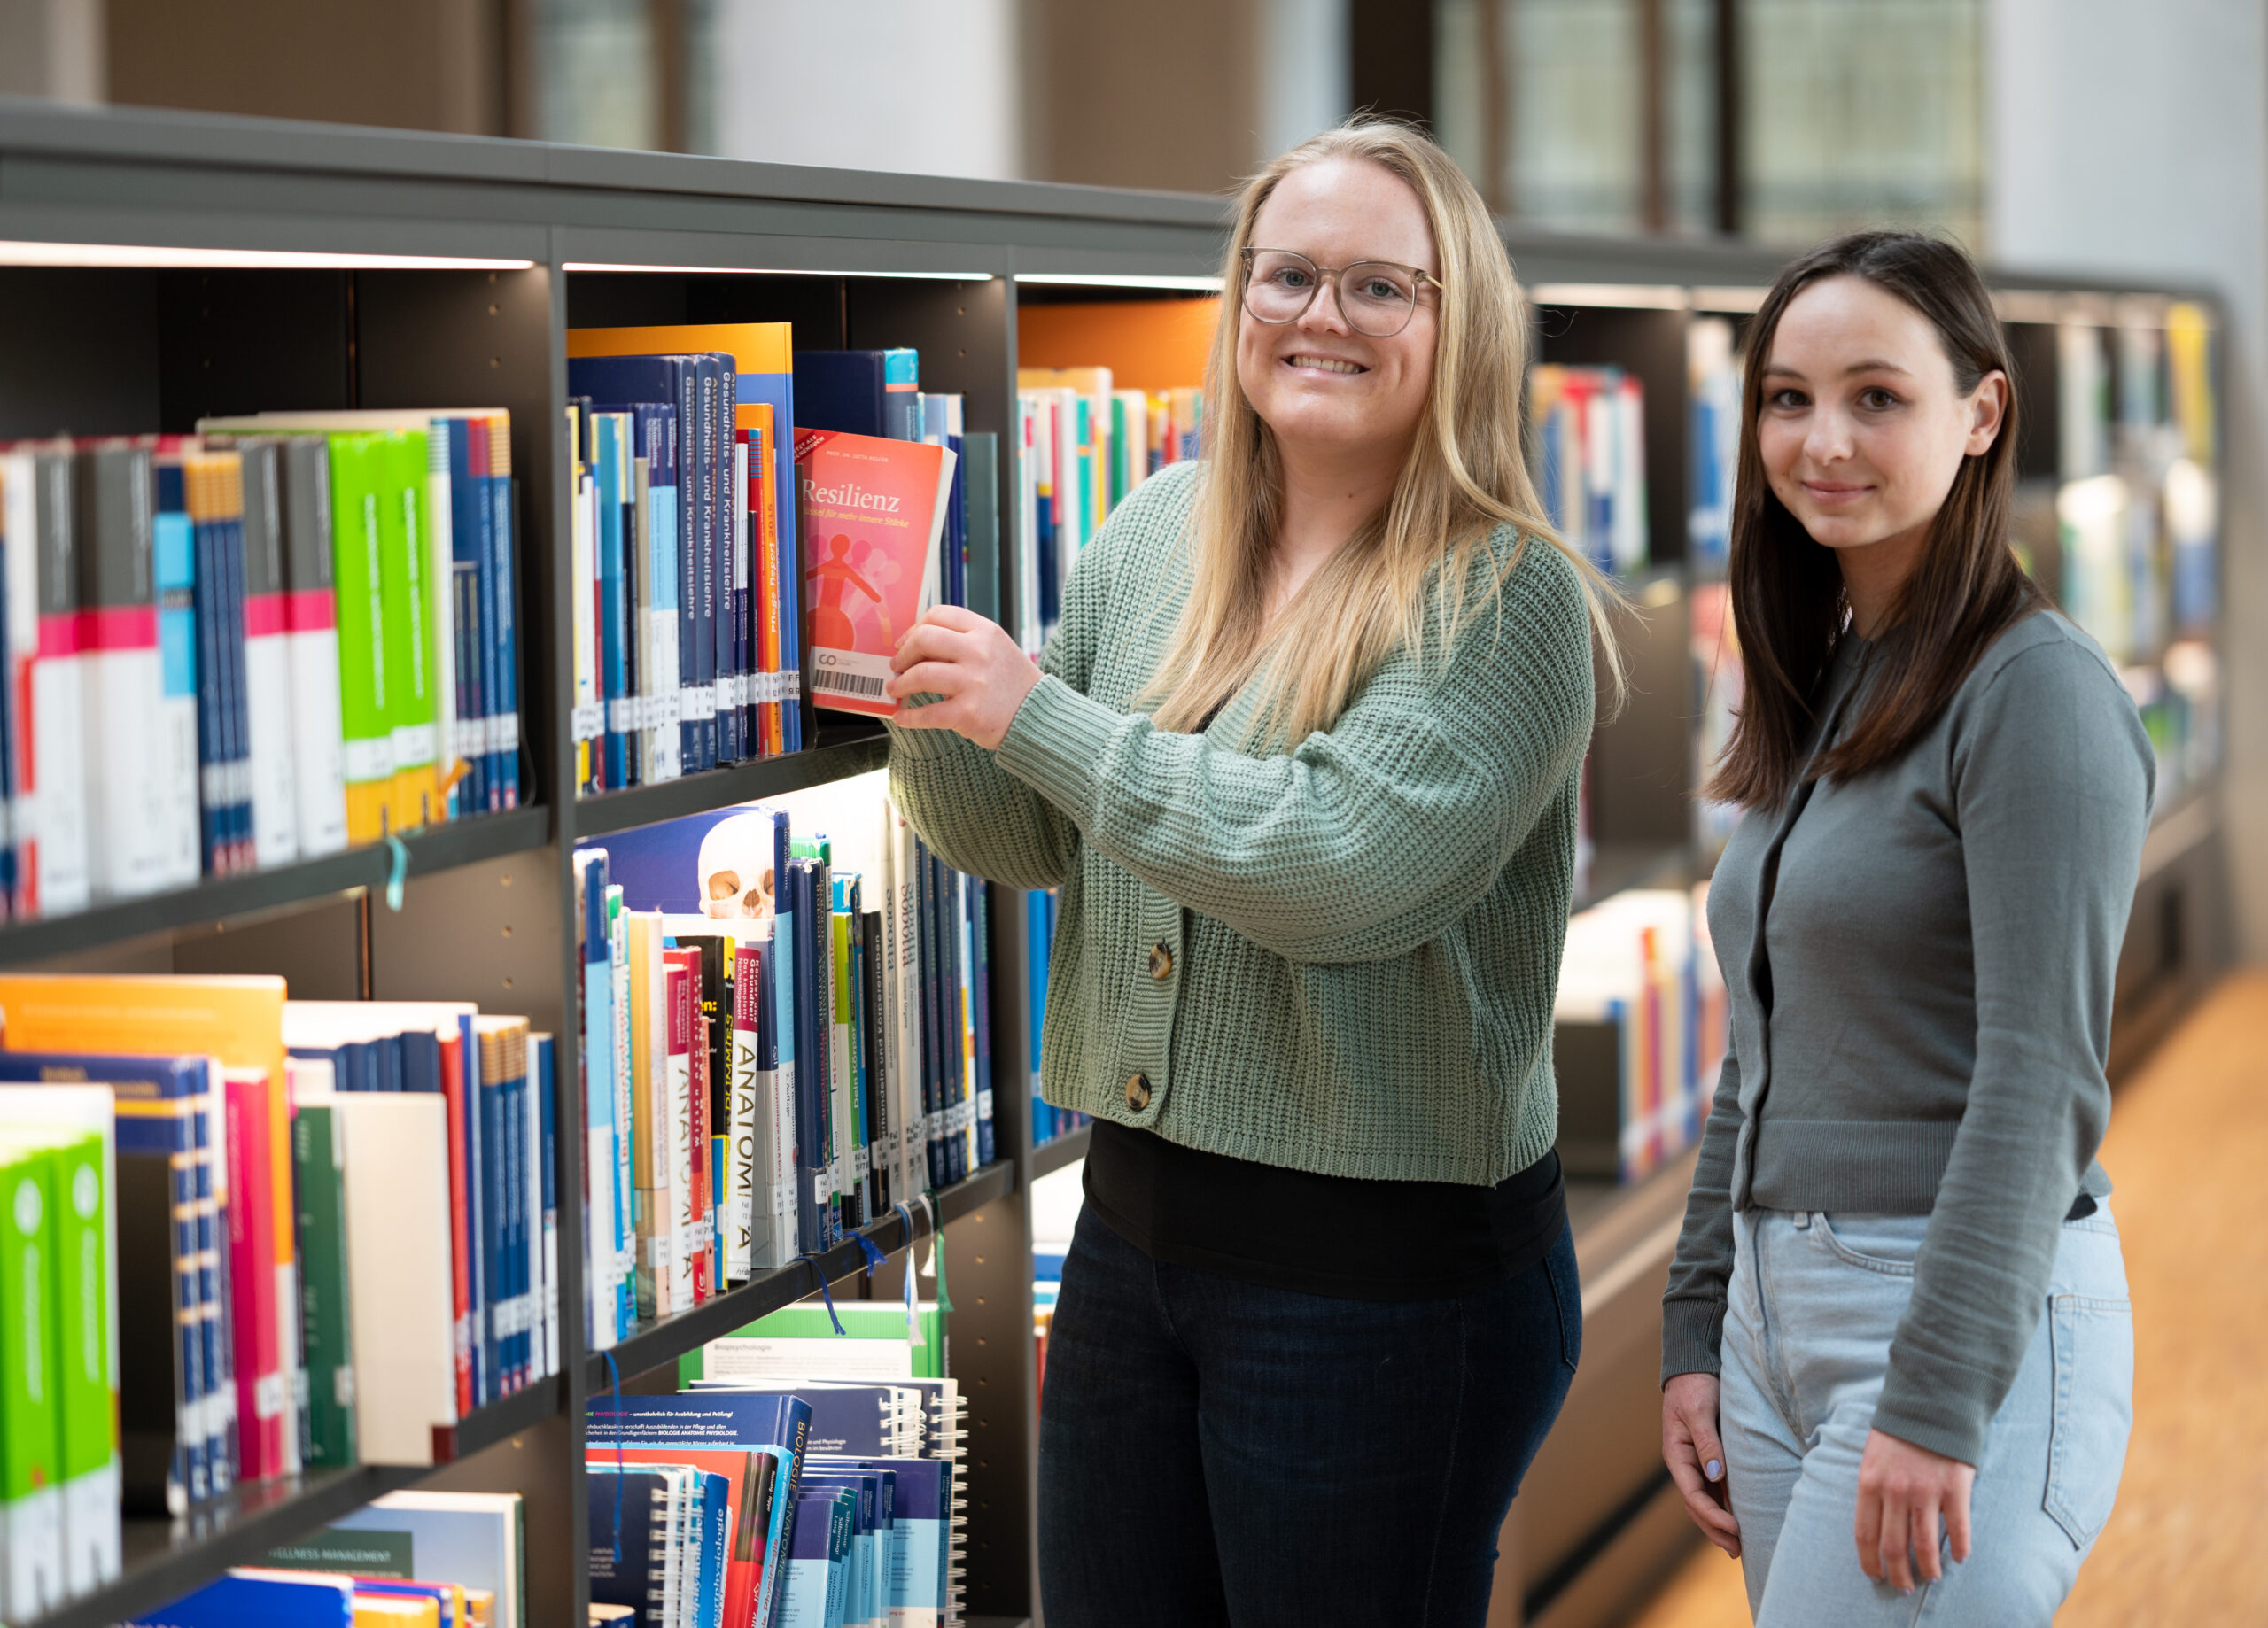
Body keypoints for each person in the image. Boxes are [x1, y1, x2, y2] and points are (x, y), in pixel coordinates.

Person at [882, 119, 1617, 1627]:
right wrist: (927, 704)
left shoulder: (1508, 594)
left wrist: (1041, 715)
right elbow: (1043, 837)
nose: (1321, 316)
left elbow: (1339, 868)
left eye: (1380, 287)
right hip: (1137, 1236)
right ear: (1239, 301)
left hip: (1389, 1281)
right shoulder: (1159, 528)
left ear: (1455, 318)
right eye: (1288, 274)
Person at [1659, 230, 2151, 1624]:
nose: (1824, 440)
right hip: (1774, 1314)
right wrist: (1701, 1322)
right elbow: (1759, 1051)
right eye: (1786, 397)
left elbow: (2040, 1075)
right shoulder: (1836, 677)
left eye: (1878, 396)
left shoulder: (2034, 695)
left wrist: (1935, 1399)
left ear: (1981, 413)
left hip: (1940, 1314)